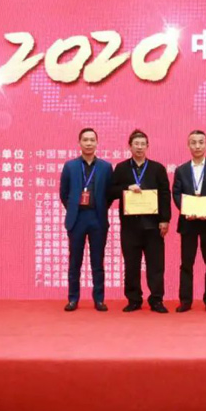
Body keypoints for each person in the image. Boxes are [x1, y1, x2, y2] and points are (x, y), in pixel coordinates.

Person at [109, 129, 172, 313]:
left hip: (153, 225)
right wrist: (126, 188)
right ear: (129, 146)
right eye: (136, 144)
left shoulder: (157, 168)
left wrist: (165, 219)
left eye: (143, 144)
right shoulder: (121, 168)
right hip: (130, 226)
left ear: (147, 146)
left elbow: (165, 195)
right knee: (131, 264)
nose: (139, 147)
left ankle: (156, 300)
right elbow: (110, 191)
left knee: (156, 265)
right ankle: (134, 299)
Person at [59, 128, 114, 312]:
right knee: (75, 261)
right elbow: (64, 193)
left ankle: (99, 299)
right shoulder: (70, 166)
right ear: (79, 143)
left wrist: (100, 208)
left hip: (97, 218)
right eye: (85, 140)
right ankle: (73, 299)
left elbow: (109, 194)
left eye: (92, 140)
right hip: (77, 218)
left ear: (97, 143)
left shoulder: (106, 167)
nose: (89, 143)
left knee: (97, 262)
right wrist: (74, 209)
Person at [172, 130, 206, 313]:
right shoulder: (181, 170)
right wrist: (185, 210)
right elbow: (176, 193)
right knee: (186, 263)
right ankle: (185, 301)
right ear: (188, 145)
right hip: (188, 221)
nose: (197, 146)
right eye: (193, 142)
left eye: (201, 142)